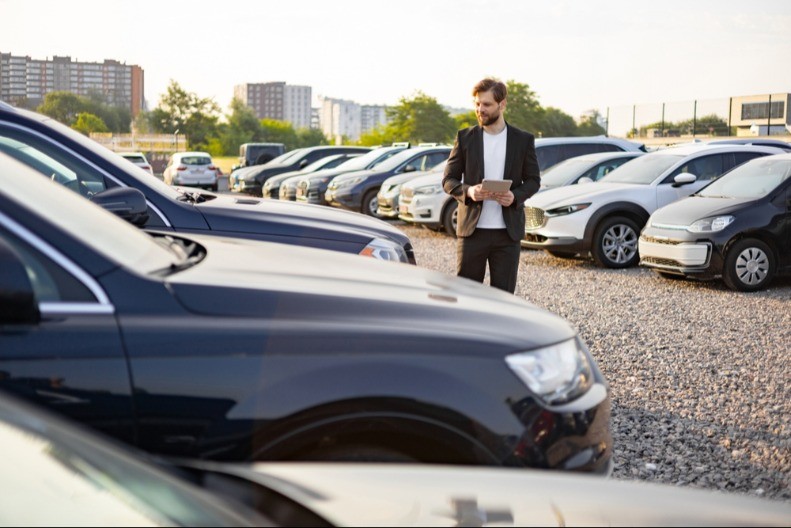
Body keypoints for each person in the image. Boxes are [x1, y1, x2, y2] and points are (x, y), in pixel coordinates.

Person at [442, 77, 540, 293]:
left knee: (503, 299)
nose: (480, 109)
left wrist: (515, 195)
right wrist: (469, 191)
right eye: (477, 104)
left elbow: (534, 180)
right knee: (466, 296)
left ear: (502, 104)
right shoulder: (465, 138)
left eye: (486, 104)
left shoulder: (523, 140)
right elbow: (448, 180)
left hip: (507, 234)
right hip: (472, 233)